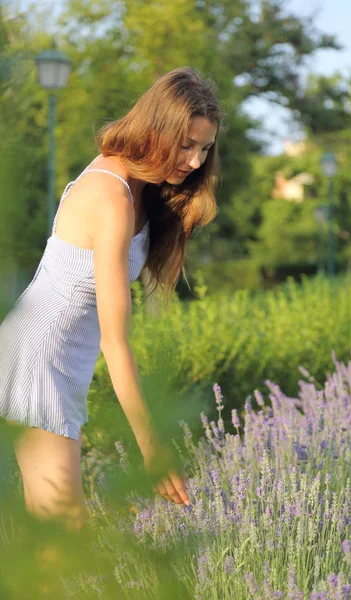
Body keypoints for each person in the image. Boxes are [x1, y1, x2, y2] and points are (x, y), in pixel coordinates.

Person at [0, 66, 223, 532]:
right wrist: (151, 446)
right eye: (187, 145)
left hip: (59, 362)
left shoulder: (142, 188)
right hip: (38, 359)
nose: (196, 162)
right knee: (64, 535)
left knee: (53, 536)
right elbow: (114, 342)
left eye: (205, 148)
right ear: (157, 129)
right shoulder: (112, 197)